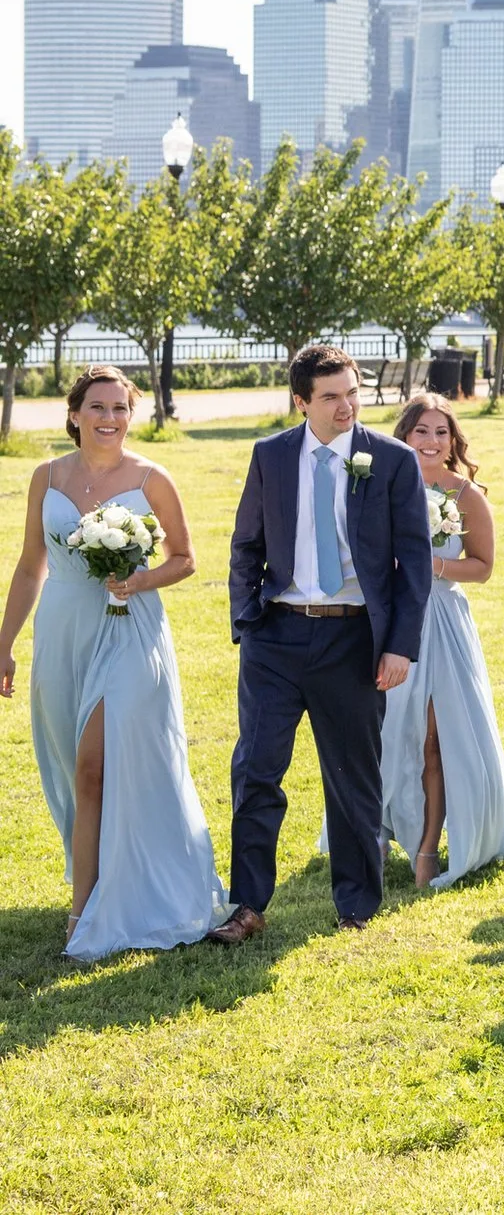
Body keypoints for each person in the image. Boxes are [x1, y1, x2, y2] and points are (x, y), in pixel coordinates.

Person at [0, 366, 227, 959]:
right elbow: (30, 567)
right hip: (63, 628)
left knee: (96, 765)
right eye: (97, 408)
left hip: (129, 630)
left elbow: (185, 557)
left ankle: (85, 913)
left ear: (132, 415)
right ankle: (96, 884)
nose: (109, 419)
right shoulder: (45, 476)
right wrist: (4, 643)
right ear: (74, 414)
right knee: (72, 766)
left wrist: (141, 579)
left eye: (120, 409)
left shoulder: (152, 478)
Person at [214, 343, 431, 941]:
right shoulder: (271, 456)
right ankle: (248, 906)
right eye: (332, 395)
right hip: (276, 637)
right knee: (256, 769)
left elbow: (414, 563)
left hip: (354, 637)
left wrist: (399, 646)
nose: (347, 406)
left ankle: (357, 906)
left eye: (353, 392)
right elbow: (246, 546)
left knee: (352, 775)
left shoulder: (391, 460)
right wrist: (246, 622)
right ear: (301, 401)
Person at [381, 393, 504, 888]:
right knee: (382, 730)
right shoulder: (380, 483)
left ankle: (428, 846)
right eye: (421, 431)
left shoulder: (465, 495)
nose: (430, 441)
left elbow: (484, 567)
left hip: (442, 620)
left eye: (441, 432)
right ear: (405, 434)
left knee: (432, 737)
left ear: (453, 440)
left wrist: (432, 565)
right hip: (385, 618)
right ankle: (374, 831)